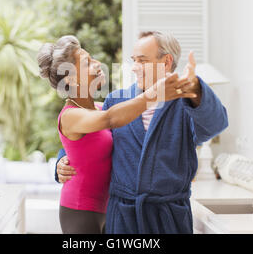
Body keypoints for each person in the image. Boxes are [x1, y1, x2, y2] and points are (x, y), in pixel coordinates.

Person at [56, 31, 229, 234]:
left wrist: (197, 89)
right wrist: (63, 159)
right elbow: (89, 138)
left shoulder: (185, 104)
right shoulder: (117, 101)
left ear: (166, 62)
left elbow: (216, 125)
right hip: (124, 219)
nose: (135, 67)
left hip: (168, 218)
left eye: (143, 61)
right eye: (134, 60)